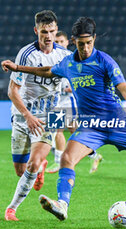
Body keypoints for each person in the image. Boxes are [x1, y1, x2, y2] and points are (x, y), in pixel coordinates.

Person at [1, 17, 126, 221]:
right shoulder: (67, 62)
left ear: (94, 39)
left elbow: (123, 88)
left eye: (89, 43)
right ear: (74, 40)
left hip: (115, 123)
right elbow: (48, 71)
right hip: (90, 126)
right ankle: (62, 205)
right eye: (81, 43)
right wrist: (18, 68)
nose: (85, 48)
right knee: (66, 158)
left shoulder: (105, 61)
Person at [4, 10, 71, 221]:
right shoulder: (26, 54)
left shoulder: (64, 56)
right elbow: (12, 91)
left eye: (52, 31)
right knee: (20, 170)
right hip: (24, 115)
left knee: (33, 163)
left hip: (52, 113)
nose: (48, 36)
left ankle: (11, 209)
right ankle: (40, 165)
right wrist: (28, 116)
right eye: (44, 31)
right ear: (36, 31)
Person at [46, 31, 103, 174]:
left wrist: (71, 87)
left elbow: (82, 79)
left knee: (57, 130)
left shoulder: (73, 58)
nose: (58, 44)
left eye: (61, 41)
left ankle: (59, 162)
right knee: (73, 130)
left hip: (68, 101)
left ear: (68, 42)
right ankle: (95, 155)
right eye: (56, 41)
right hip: (57, 100)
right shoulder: (52, 57)